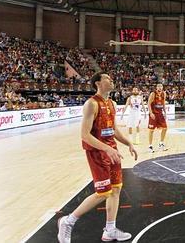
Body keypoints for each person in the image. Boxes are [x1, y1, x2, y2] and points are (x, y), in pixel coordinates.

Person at [57, 72, 138, 243]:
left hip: (112, 151)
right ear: (98, 83)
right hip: (97, 152)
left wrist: (128, 143)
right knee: (103, 193)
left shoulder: (112, 103)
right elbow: (85, 135)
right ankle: (68, 221)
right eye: (108, 78)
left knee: (116, 190)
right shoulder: (91, 104)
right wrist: (106, 149)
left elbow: (113, 130)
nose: (112, 80)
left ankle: (110, 229)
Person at [147, 83, 168, 153]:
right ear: (156, 87)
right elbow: (148, 104)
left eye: (161, 86)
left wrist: (165, 112)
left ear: (162, 87)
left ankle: (161, 144)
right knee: (151, 130)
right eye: (158, 86)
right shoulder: (153, 94)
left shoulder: (164, 94)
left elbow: (163, 104)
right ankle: (150, 146)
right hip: (153, 114)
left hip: (160, 114)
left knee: (165, 128)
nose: (160, 88)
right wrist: (151, 113)